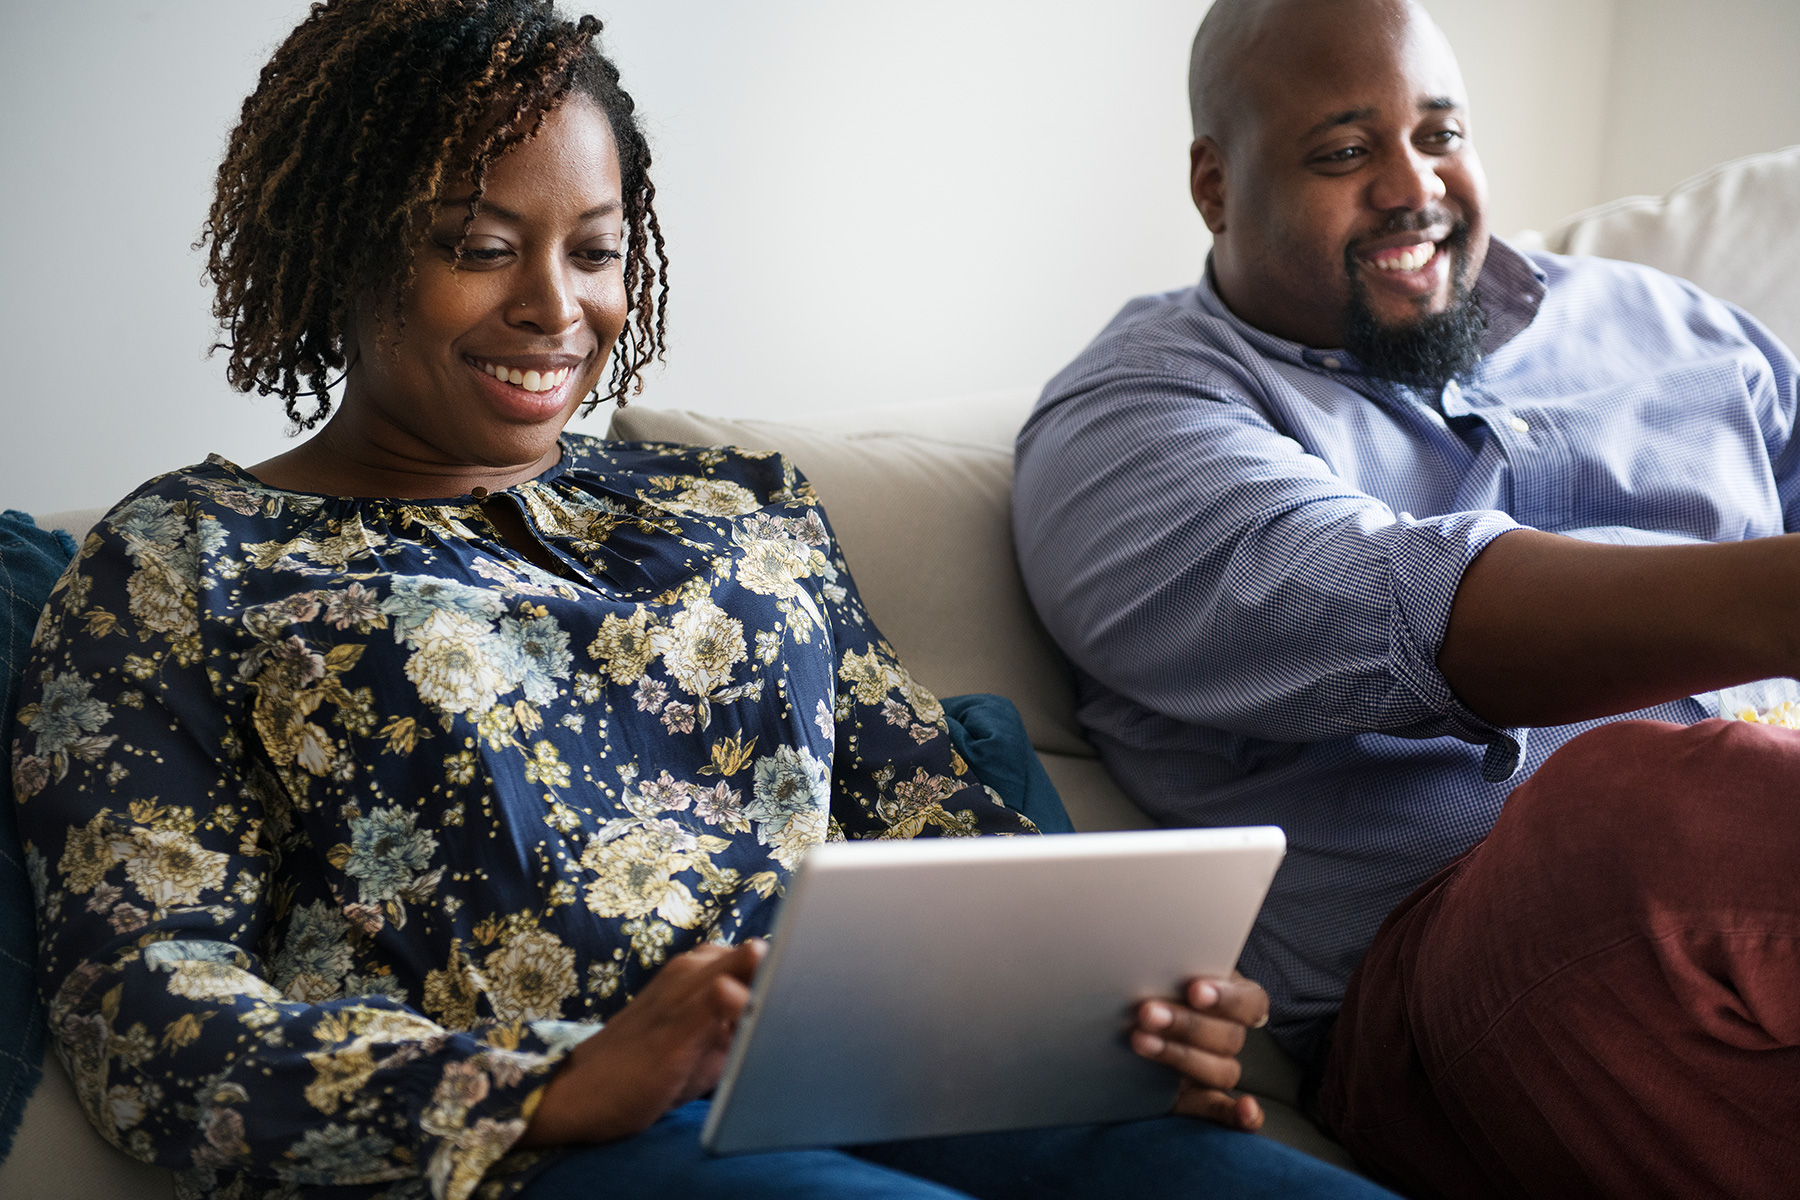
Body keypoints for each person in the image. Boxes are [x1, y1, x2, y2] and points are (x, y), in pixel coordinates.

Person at [9, 3, 1397, 1199]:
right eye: (480, 247)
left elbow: (943, 837)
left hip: (914, 1092)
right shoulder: (188, 560)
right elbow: (143, 1013)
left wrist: (1131, 1013)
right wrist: (540, 1092)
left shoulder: (730, 506)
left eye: (595, 250)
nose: (555, 308)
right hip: (538, 1152)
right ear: (336, 252)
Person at [1011, 0, 1800, 1195]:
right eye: (1344, 151)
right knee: (1636, 805)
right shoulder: (1131, 426)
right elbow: (1424, 618)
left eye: (1440, 133)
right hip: (1450, 982)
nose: (1411, 184)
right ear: (1215, 185)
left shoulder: (1667, 323)